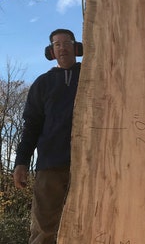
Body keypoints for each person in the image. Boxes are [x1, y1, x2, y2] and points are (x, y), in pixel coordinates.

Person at [13, 29, 82, 244]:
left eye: (67, 42)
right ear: (51, 51)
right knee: (43, 230)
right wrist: (21, 162)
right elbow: (32, 126)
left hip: (90, 163)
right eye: (57, 44)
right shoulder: (42, 84)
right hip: (50, 164)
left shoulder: (93, 75)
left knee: (88, 222)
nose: (62, 47)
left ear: (76, 47)